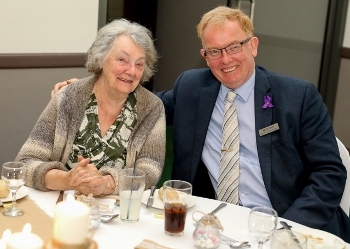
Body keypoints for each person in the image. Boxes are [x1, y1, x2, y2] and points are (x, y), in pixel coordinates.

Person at [52, 6, 350, 242]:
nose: (226, 59)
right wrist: (90, 88)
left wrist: (286, 228)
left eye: (234, 47)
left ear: (253, 46)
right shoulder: (192, 87)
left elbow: (330, 172)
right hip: (219, 226)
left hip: (287, 224)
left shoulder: (297, 96)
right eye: (214, 51)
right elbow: (140, 106)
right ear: (204, 56)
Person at [17, 19, 166, 197]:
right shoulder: (68, 97)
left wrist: (107, 184)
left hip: (118, 213)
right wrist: (68, 180)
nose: (132, 71)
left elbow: (150, 170)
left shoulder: (151, 107)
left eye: (139, 64)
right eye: (122, 60)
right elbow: (25, 163)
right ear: (101, 59)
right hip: (64, 206)